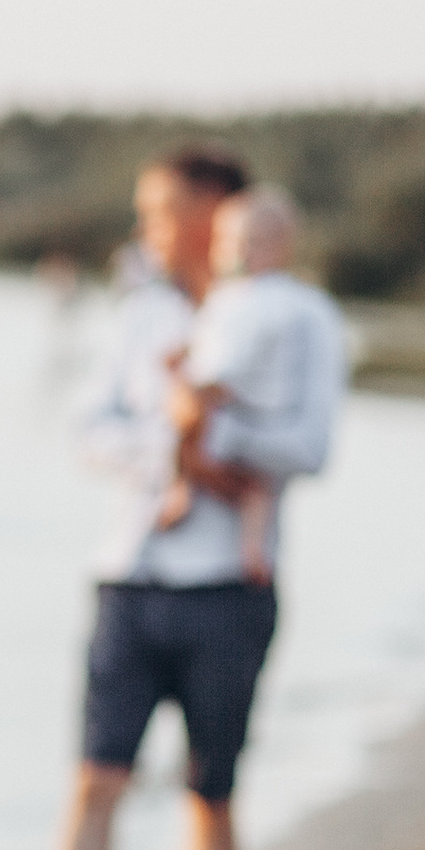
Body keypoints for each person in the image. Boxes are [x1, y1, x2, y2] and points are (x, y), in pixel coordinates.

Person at [0, 147, 342, 850]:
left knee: (208, 795)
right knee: (93, 779)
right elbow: (88, 428)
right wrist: (170, 447)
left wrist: (223, 448)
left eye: (161, 210)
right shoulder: (141, 313)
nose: (146, 227)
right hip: (132, 571)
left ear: (216, 213)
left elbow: (311, 445)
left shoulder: (298, 317)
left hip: (233, 584)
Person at [156, 187, 333, 585]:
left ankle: (246, 547)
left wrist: (201, 383)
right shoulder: (230, 298)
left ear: (282, 248)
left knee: (245, 481)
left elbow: (228, 358)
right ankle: (203, 512)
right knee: (237, 478)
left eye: (251, 244)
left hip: (240, 403)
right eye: (232, 243)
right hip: (238, 405)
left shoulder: (279, 303)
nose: (239, 253)